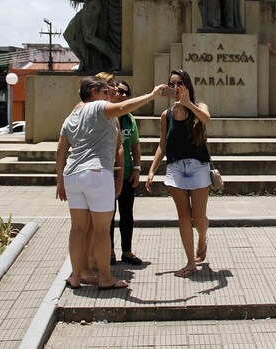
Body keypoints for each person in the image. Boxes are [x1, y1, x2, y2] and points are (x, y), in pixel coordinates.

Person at [56, 76, 165, 290]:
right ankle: (105, 278)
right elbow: (124, 106)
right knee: (101, 230)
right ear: (94, 93)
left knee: (78, 229)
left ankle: (76, 277)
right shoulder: (97, 107)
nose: (109, 96)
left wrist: (60, 181)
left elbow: (61, 152)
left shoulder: (71, 116)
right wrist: (152, 95)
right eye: (105, 92)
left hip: (72, 174)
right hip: (97, 173)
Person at [146, 69, 212, 277]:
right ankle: (190, 262)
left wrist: (187, 104)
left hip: (199, 167)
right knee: (184, 216)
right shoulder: (166, 115)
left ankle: (202, 237)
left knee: (198, 217)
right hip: (175, 168)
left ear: (187, 86)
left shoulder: (199, 107)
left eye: (179, 83)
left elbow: (206, 119)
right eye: (171, 83)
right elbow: (162, 145)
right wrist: (151, 169)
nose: (175, 87)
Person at [110, 80, 144, 266]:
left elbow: (135, 145)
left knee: (126, 214)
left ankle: (127, 251)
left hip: (127, 173)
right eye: (119, 91)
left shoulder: (130, 118)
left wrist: (138, 169)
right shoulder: (106, 115)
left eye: (126, 93)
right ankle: (109, 252)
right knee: (108, 215)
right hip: (109, 173)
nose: (122, 95)